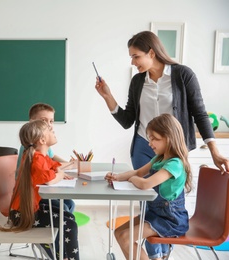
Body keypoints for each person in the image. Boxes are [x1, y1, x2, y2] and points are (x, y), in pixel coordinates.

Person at [95, 30, 229, 259]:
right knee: (149, 203)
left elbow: (199, 113)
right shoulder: (138, 81)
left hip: (174, 147)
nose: (132, 62)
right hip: (143, 145)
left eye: (136, 56)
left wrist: (214, 150)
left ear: (151, 52)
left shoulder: (183, 75)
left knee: (167, 197)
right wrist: (107, 96)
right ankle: (155, 253)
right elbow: (128, 120)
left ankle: (160, 251)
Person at [105, 114, 191, 260]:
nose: (150, 143)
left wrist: (132, 179)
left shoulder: (174, 164)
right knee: (118, 233)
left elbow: (145, 184)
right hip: (155, 215)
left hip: (171, 220)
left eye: (154, 139)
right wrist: (118, 177)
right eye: (149, 138)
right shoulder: (158, 159)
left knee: (126, 237)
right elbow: (138, 172)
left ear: (169, 138)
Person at [1, 120, 80, 260]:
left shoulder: (40, 157)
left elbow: (55, 166)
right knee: (70, 225)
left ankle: (63, 256)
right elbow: (49, 180)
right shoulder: (37, 159)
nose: (53, 130)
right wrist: (60, 175)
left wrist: (70, 166)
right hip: (23, 214)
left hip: (27, 210)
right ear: (42, 140)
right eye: (50, 130)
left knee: (69, 217)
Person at [16, 103, 76, 213]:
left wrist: (69, 164)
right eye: (44, 121)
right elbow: (47, 177)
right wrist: (61, 173)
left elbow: (52, 160)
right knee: (64, 209)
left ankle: (58, 228)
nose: (49, 125)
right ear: (31, 123)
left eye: (51, 121)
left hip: (41, 189)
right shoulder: (31, 150)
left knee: (69, 203)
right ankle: (57, 227)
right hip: (31, 196)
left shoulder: (41, 147)